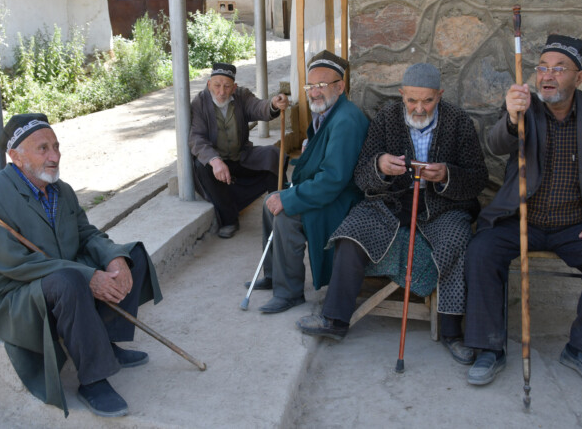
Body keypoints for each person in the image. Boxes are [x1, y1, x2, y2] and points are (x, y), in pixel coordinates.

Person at [464, 35, 582, 386]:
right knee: (480, 251)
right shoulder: (523, 105)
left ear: (580, 77)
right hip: (522, 218)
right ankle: (488, 348)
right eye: (542, 68)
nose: (547, 76)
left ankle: (581, 348)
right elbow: (495, 144)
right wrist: (511, 115)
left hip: (578, 224)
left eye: (559, 69)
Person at [296, 63, 489, 365]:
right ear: (402, 95)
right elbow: (362, 174)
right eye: (412, 100)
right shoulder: (386, 118)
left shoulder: (458, 122)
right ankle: (335, 319)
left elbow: (477, 177)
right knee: (352, 232)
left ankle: (452, 332)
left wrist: (447, 175)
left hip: (443, 207)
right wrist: (380, 166)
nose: (419, 107)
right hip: (392, 201)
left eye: (428, 100)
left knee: (456, 240)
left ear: (440, 95)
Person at [0, 113, 163, 417]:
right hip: (15, 294)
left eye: (56, 146)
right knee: (70, 280)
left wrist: (114, 257)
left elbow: (86, 235)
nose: (54, 156)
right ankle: (93, 378)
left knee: (131, 256)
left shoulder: (61, 190)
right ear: (15, 156)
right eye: (43, 148)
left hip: (62, 275)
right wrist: (87, 275)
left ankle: (104, 341)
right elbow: (13, 263)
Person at [252, 50, 369, 314]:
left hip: (342, 200)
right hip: (329, 192)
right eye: (310, 86)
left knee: (286, 215)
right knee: (269, 204)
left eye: (321, 86)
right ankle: (274, 275)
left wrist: (289, 198)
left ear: (340, 87)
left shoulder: (346, 120)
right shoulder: (328, 113)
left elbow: (333, 180)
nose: (314, 92)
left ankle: (290, 292)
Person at [189, 62, 289, 238]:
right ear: (208, 84)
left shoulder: (242, 96)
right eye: (217, 85)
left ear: (234, 87)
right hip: (217, 164)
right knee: (201, 165)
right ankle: (229, 220)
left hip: (241, 158)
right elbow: (197, 138)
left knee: (275, 155)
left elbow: (258, 107)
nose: (222, 92)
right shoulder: (199, 103)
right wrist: (215, 160)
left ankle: (280, 213)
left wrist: (273, 104)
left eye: (227, 86)